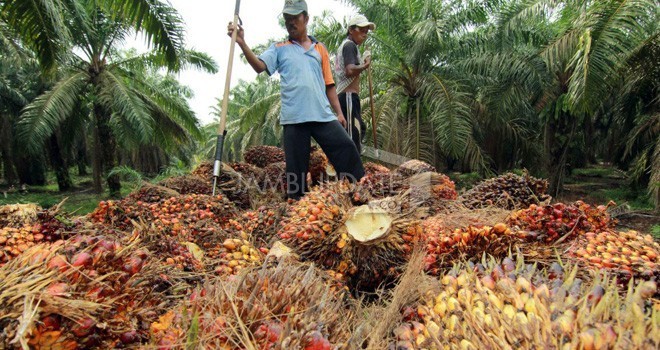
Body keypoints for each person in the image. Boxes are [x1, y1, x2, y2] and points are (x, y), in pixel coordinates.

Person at [227, 0, 365, 200]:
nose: (291, 22)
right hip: (294, 119)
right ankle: (297, 211)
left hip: (322, 115)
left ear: (306, 18)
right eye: (287, 18)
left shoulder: (320, 49)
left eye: (295, 17)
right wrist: (241, 42)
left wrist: (339, 113)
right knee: (296, 176)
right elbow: (259, 66)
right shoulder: (279, 48)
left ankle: (361, 192)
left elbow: (329, 84)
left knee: (347, 149)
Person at [334, 14, 375, 153]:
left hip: (349, 97)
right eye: (362, 30)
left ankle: (347, 166)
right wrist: (365, 65)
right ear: (351, 30)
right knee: (352, 135)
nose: (365, 34)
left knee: (359, 129)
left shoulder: (350, 47)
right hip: (348, 97)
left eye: (366, 31)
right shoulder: (349, 45)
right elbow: (350, 70)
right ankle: (349, 171)